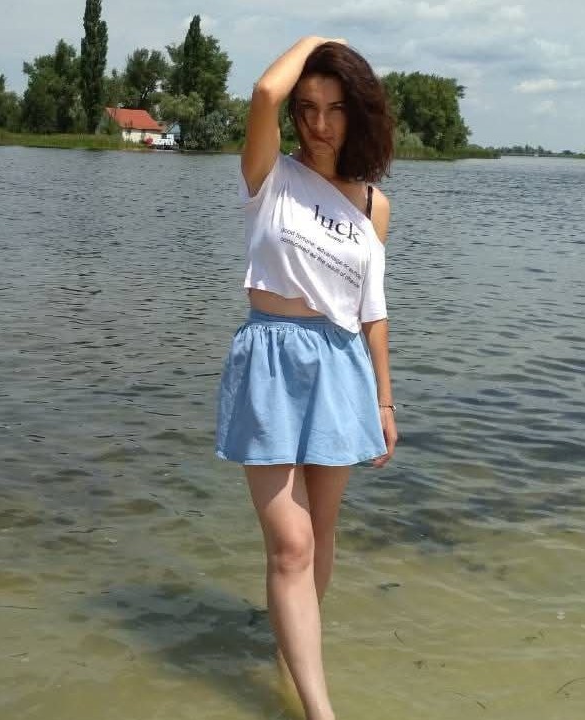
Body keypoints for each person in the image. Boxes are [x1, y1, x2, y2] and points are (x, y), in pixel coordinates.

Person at [215, 36, 397, 720]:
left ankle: (293, 658)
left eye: (335, 108)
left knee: (318, 536)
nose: (319, 123)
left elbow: (372, 312)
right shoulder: (268, 175)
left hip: (341, 367)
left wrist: (384, 401)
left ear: (359, 113)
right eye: (308, 108)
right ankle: (321, 712)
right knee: (290, 543)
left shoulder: (373, 205)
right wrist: (322, 40)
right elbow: (265, 91)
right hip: (269, 358)